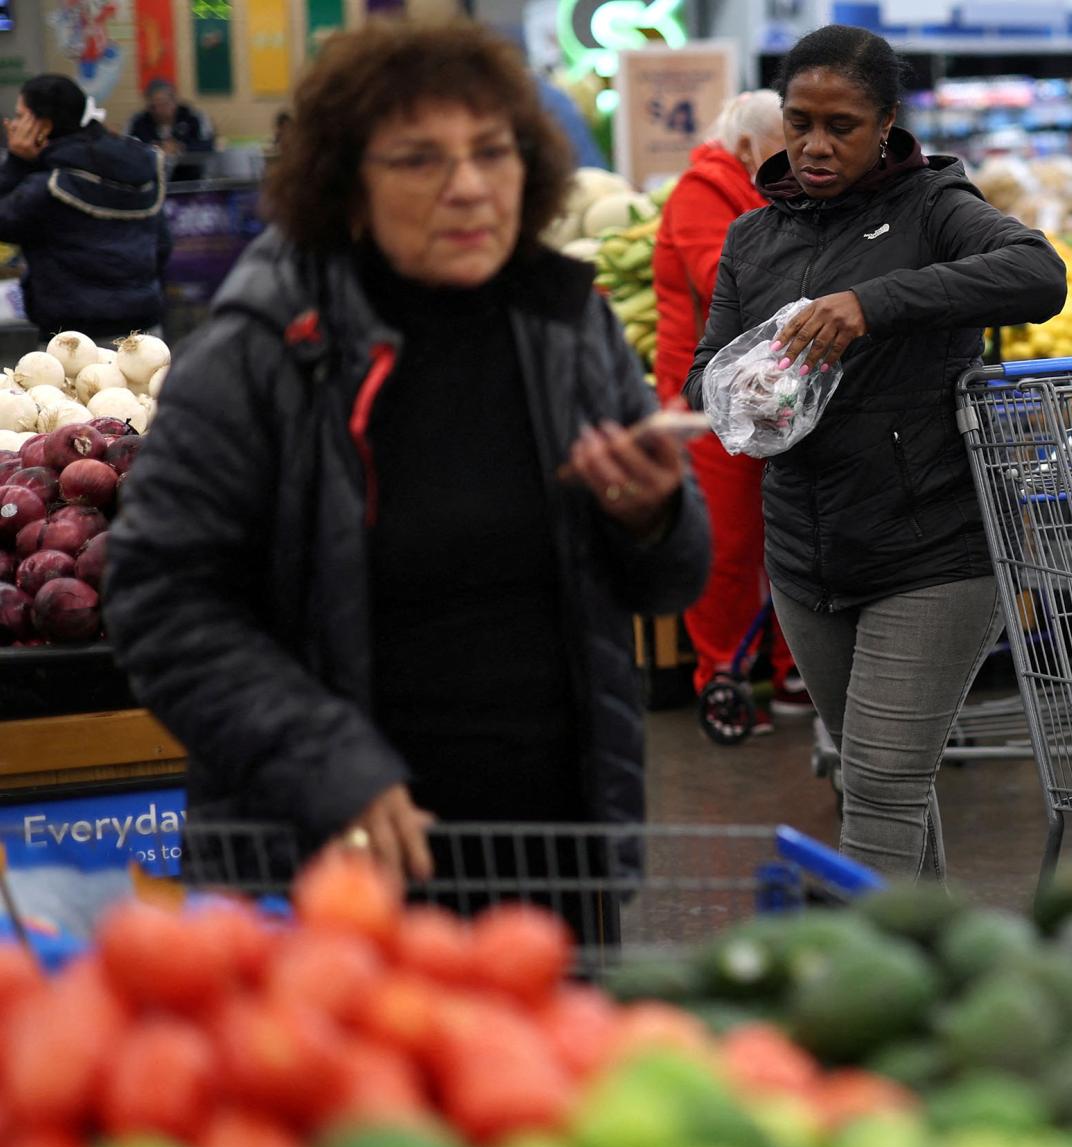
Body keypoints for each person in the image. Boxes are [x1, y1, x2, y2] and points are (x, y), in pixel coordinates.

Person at [103, 23, 711, 905]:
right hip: (326, 862)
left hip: (551, 857)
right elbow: (159, 598)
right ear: (347, 184)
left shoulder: (564, 323)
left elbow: (670, 582)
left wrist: (652, 516)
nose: (469, 188)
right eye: (420, 161)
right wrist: (325, 764)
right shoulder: (264, 350)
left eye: (492, 153)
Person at [684, 25, 1065, 879]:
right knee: (881, 783)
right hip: (806, 554)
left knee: (882, 783)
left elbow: (1039, 275)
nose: (816, 146)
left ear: (887, 122)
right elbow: (702, 374)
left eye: (842, 125)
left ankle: (866, 986)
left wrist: (872, 301)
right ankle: (930, 971)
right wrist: (745, 391)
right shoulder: (752, 238)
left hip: (932, 547)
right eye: (799, 121)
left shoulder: (935, 207)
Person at [652, 89, 808, 717]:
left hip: (775, 392)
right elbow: (727, 284)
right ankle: (724, 680)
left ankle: (795, 675)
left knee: (787, 536)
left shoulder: (772, 192)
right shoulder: (700, 193)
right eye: (786, 144)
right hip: (710, 402)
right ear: (747, 147)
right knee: (728, 545)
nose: (801, 158)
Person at [0, 74, 172, 342]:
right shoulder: (138, 166)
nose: (13, 125)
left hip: (74, 341)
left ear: (42, 126)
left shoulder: (49, 186)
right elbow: (163, 244)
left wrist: (17, 163)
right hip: (146, 333)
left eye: (21, 116)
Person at [125, 79, 215, 155]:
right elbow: (126, 148)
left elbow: (209, 145)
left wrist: (181, 148)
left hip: (191, 172)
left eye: (164, 104)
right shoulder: (138, 122)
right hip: (149, 173)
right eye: (154, 106)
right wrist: (154, 149)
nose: (159, 110)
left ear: (174, 101)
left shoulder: (193, 117)